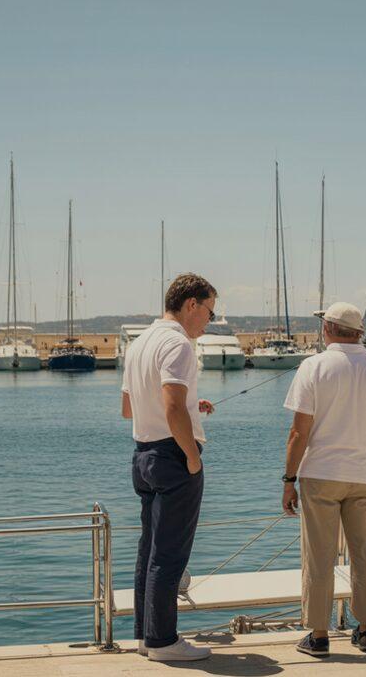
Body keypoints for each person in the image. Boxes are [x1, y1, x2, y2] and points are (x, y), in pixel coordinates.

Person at [281, 301, 366, 656]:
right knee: (364, 553)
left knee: (319, 556)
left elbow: (298, 433)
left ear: (330, 329)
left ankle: (319, 636)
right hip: (364, 477)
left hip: (320, 474)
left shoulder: (313, 367)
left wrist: (289, 479)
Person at [121, 273, 218, 662]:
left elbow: (130, 408)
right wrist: (192, 458)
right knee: (170, 553)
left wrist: (193, 407)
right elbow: (172, 408)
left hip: (142, 454)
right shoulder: (178, 343)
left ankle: (147, 636)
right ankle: (164, 642)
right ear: (191, 304)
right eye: (209, 312)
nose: (209, 321)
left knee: (149, 550)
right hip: (172, 457)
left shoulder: (139, 343)